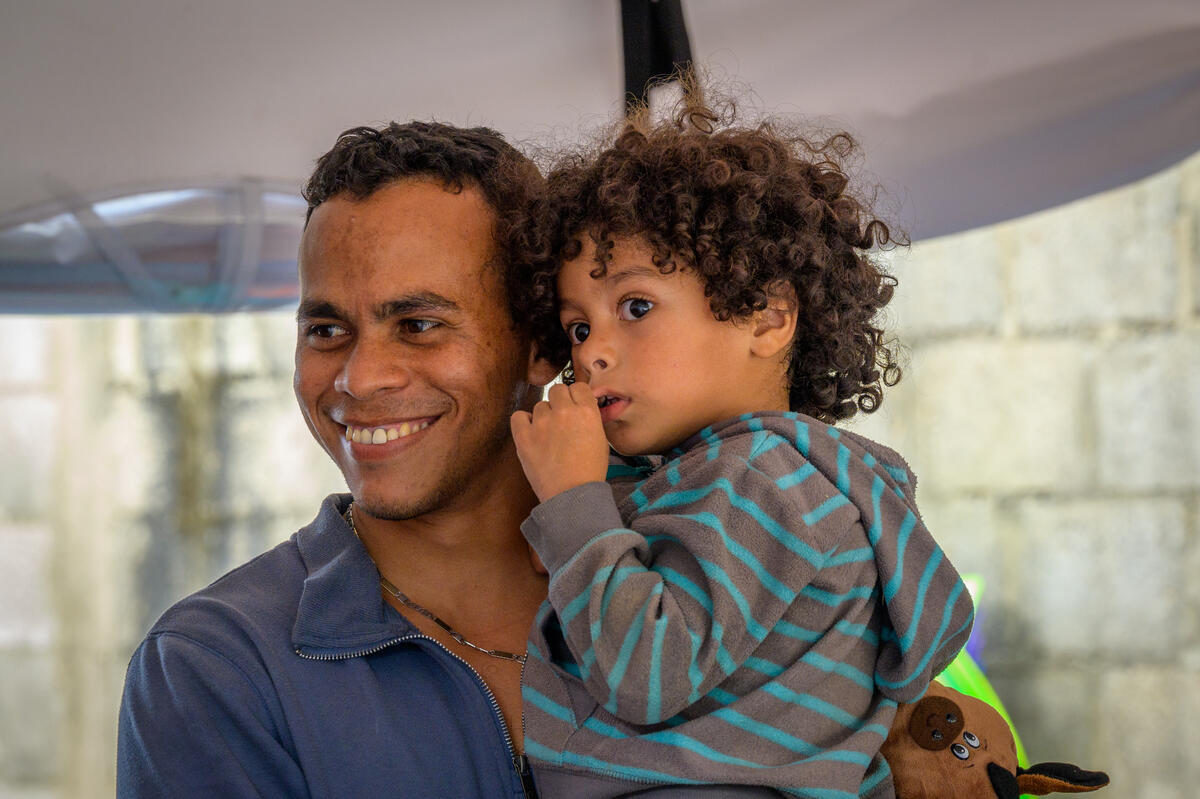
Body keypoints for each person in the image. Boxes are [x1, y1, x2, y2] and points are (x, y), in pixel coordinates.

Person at [508, 101, 976, 797]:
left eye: (636, 307)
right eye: (577, 327)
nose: (592, 352)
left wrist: (575, 502)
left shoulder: (762, 479)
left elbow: (647, 674)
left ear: (767, 317)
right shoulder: (723, 474)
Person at [117, 121, 563, 797]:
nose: (360, 377)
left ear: (541, 345)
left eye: (418, 325)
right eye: (327, 330)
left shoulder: (696, 575)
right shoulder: (214, 666)